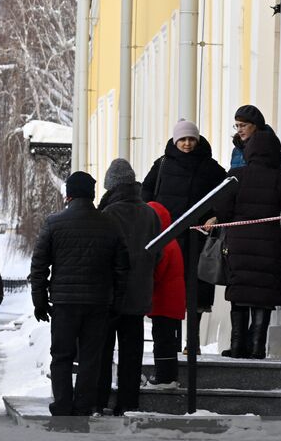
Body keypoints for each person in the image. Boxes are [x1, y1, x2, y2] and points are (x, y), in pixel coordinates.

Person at [29, 171, 130, 417]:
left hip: (64, 303)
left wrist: (40, 301)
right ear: (93, 194)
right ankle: (84, 405)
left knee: (62, 355)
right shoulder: (110, 224)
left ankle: (62, 405)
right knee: (90, 357)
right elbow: (122, 268)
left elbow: (39, 265)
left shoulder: (54, 223)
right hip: (98, 303)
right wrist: (117, 302)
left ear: (69, 194)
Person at [212, 126, 281, 359]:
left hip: (239, 245)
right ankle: (257, 348)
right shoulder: (280, 179)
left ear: (250, 151)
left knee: (239, 295)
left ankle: (237, 347)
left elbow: (222, 211)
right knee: (262, 298)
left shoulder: (236, 176)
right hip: (268, 245)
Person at [142, 119, 227, 352]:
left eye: (191, 139)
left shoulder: (210, 167)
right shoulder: (162, 165)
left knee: (196, 291)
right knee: (171, 289)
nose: (187, 143)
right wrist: (153, 216)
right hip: (168, 238)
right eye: (183, 139)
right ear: (175, 140)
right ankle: (172, 342)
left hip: (197, 238)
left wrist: (215, 216)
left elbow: (227, 193)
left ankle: (193, 342)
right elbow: (146, 193)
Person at [95, 159, 162, 414]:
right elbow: (158, 254)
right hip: (140, 293)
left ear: (110, 186)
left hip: (111, 294)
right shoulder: (150, 213)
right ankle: (128, 403)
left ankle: (99, 400)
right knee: (132, 353)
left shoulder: (108, 214)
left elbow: (101, 254)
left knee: (103, 351)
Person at [146, 201, 186, 385]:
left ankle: (164, 376)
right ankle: (167, 375)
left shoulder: (163, 244)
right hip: (171, 302)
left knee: (162, 342)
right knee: (167, 340)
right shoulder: (171, 240)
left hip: (164, 303)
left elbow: (157, 275)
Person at [229, 104, 272, 170]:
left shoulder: (267, 147)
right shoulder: (236, 149)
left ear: (255, 125)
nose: (238, 130)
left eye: (243, 125)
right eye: (237, 126)